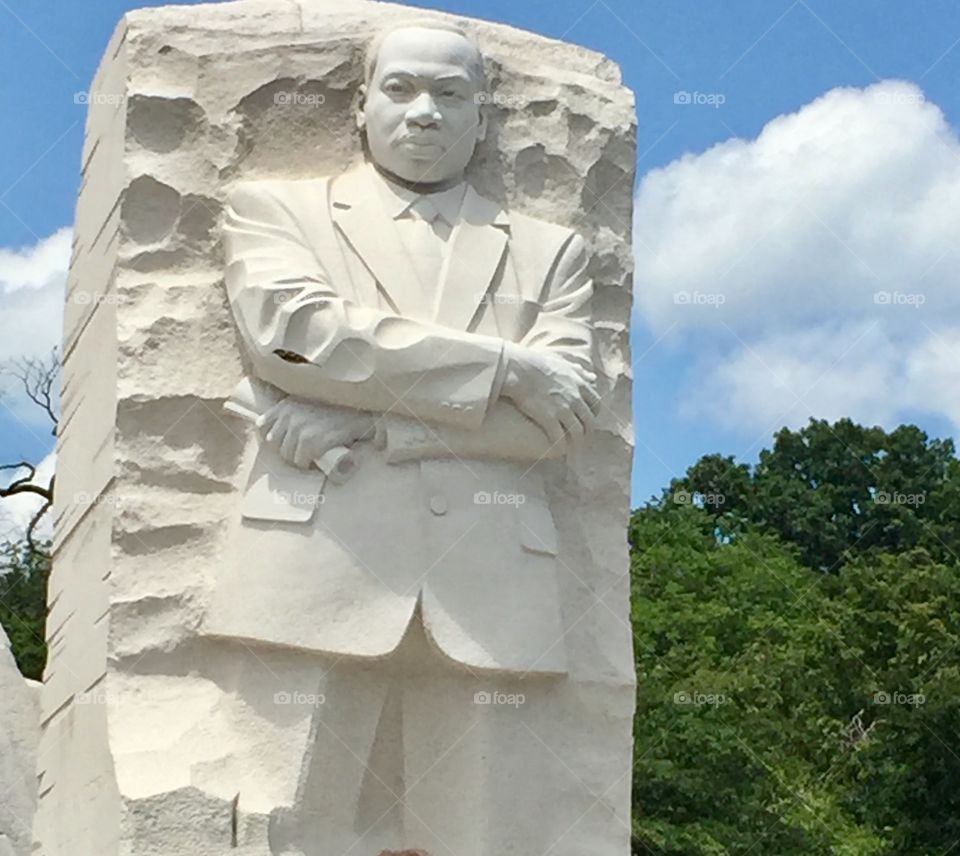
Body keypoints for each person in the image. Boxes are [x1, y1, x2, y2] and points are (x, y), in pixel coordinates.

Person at [203, 20, 600, 855]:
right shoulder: (278, 210)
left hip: (493, 592)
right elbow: (301, 336)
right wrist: (504, 367)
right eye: (401, 89)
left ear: (483, 118)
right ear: (361, 106)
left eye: (451, 95)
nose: (425, 113)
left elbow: (561, 422)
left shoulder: (550, 250)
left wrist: (378, 424)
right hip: (317, 565)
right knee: (286, 825)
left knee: (483, 834)